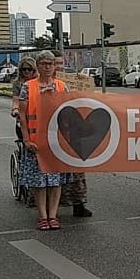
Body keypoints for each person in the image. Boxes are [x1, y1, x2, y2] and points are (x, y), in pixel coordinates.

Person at [18, 50, 72, 230]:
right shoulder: (28, 86)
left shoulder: (62, 87)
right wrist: (26, 140)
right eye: (44, 64)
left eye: (50, 63)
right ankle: (42, 216)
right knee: (39, 182)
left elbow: (68, 113)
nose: (48, 67)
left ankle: (53, 215)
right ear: (38, 66)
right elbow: (23, 115)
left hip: (55, 143)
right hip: (35, 143)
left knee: (55, 181)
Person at [51, 50, 94, 217]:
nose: (59, 67)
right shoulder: (43, 83)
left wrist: (83, 86)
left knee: (77, 169)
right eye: (56, 63)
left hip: (72, 130)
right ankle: (52, 204)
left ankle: (79, 203)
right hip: (53, 130)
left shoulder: (70, 82)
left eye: (61, 63)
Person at [11, 56, 37, 141]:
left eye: (29, 69)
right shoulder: (17, 84)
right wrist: (15, 109)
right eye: (24, 69)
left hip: (37, 116)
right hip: (23, 116)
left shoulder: (39, 82)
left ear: (34, 70)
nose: (26, 71)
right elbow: (16, 99)